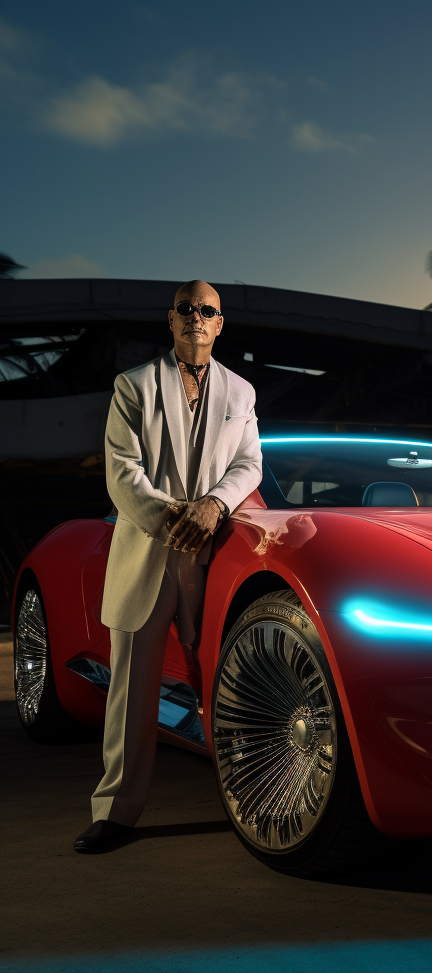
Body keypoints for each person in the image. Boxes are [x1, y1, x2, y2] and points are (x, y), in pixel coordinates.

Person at [74, 281, 262, 854]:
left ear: (220, 324)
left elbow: (249, 462)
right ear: (171, 320)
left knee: (225, 686)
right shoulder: (132, 386)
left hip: (214, 557)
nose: (196, 318)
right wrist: (175, 517)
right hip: (149, 552)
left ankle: (247, 801)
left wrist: (214, 506)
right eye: (186, 309)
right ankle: (115, 812)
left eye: (207, 311)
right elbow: (121, 474)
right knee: (130, 690)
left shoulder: (242, 391)